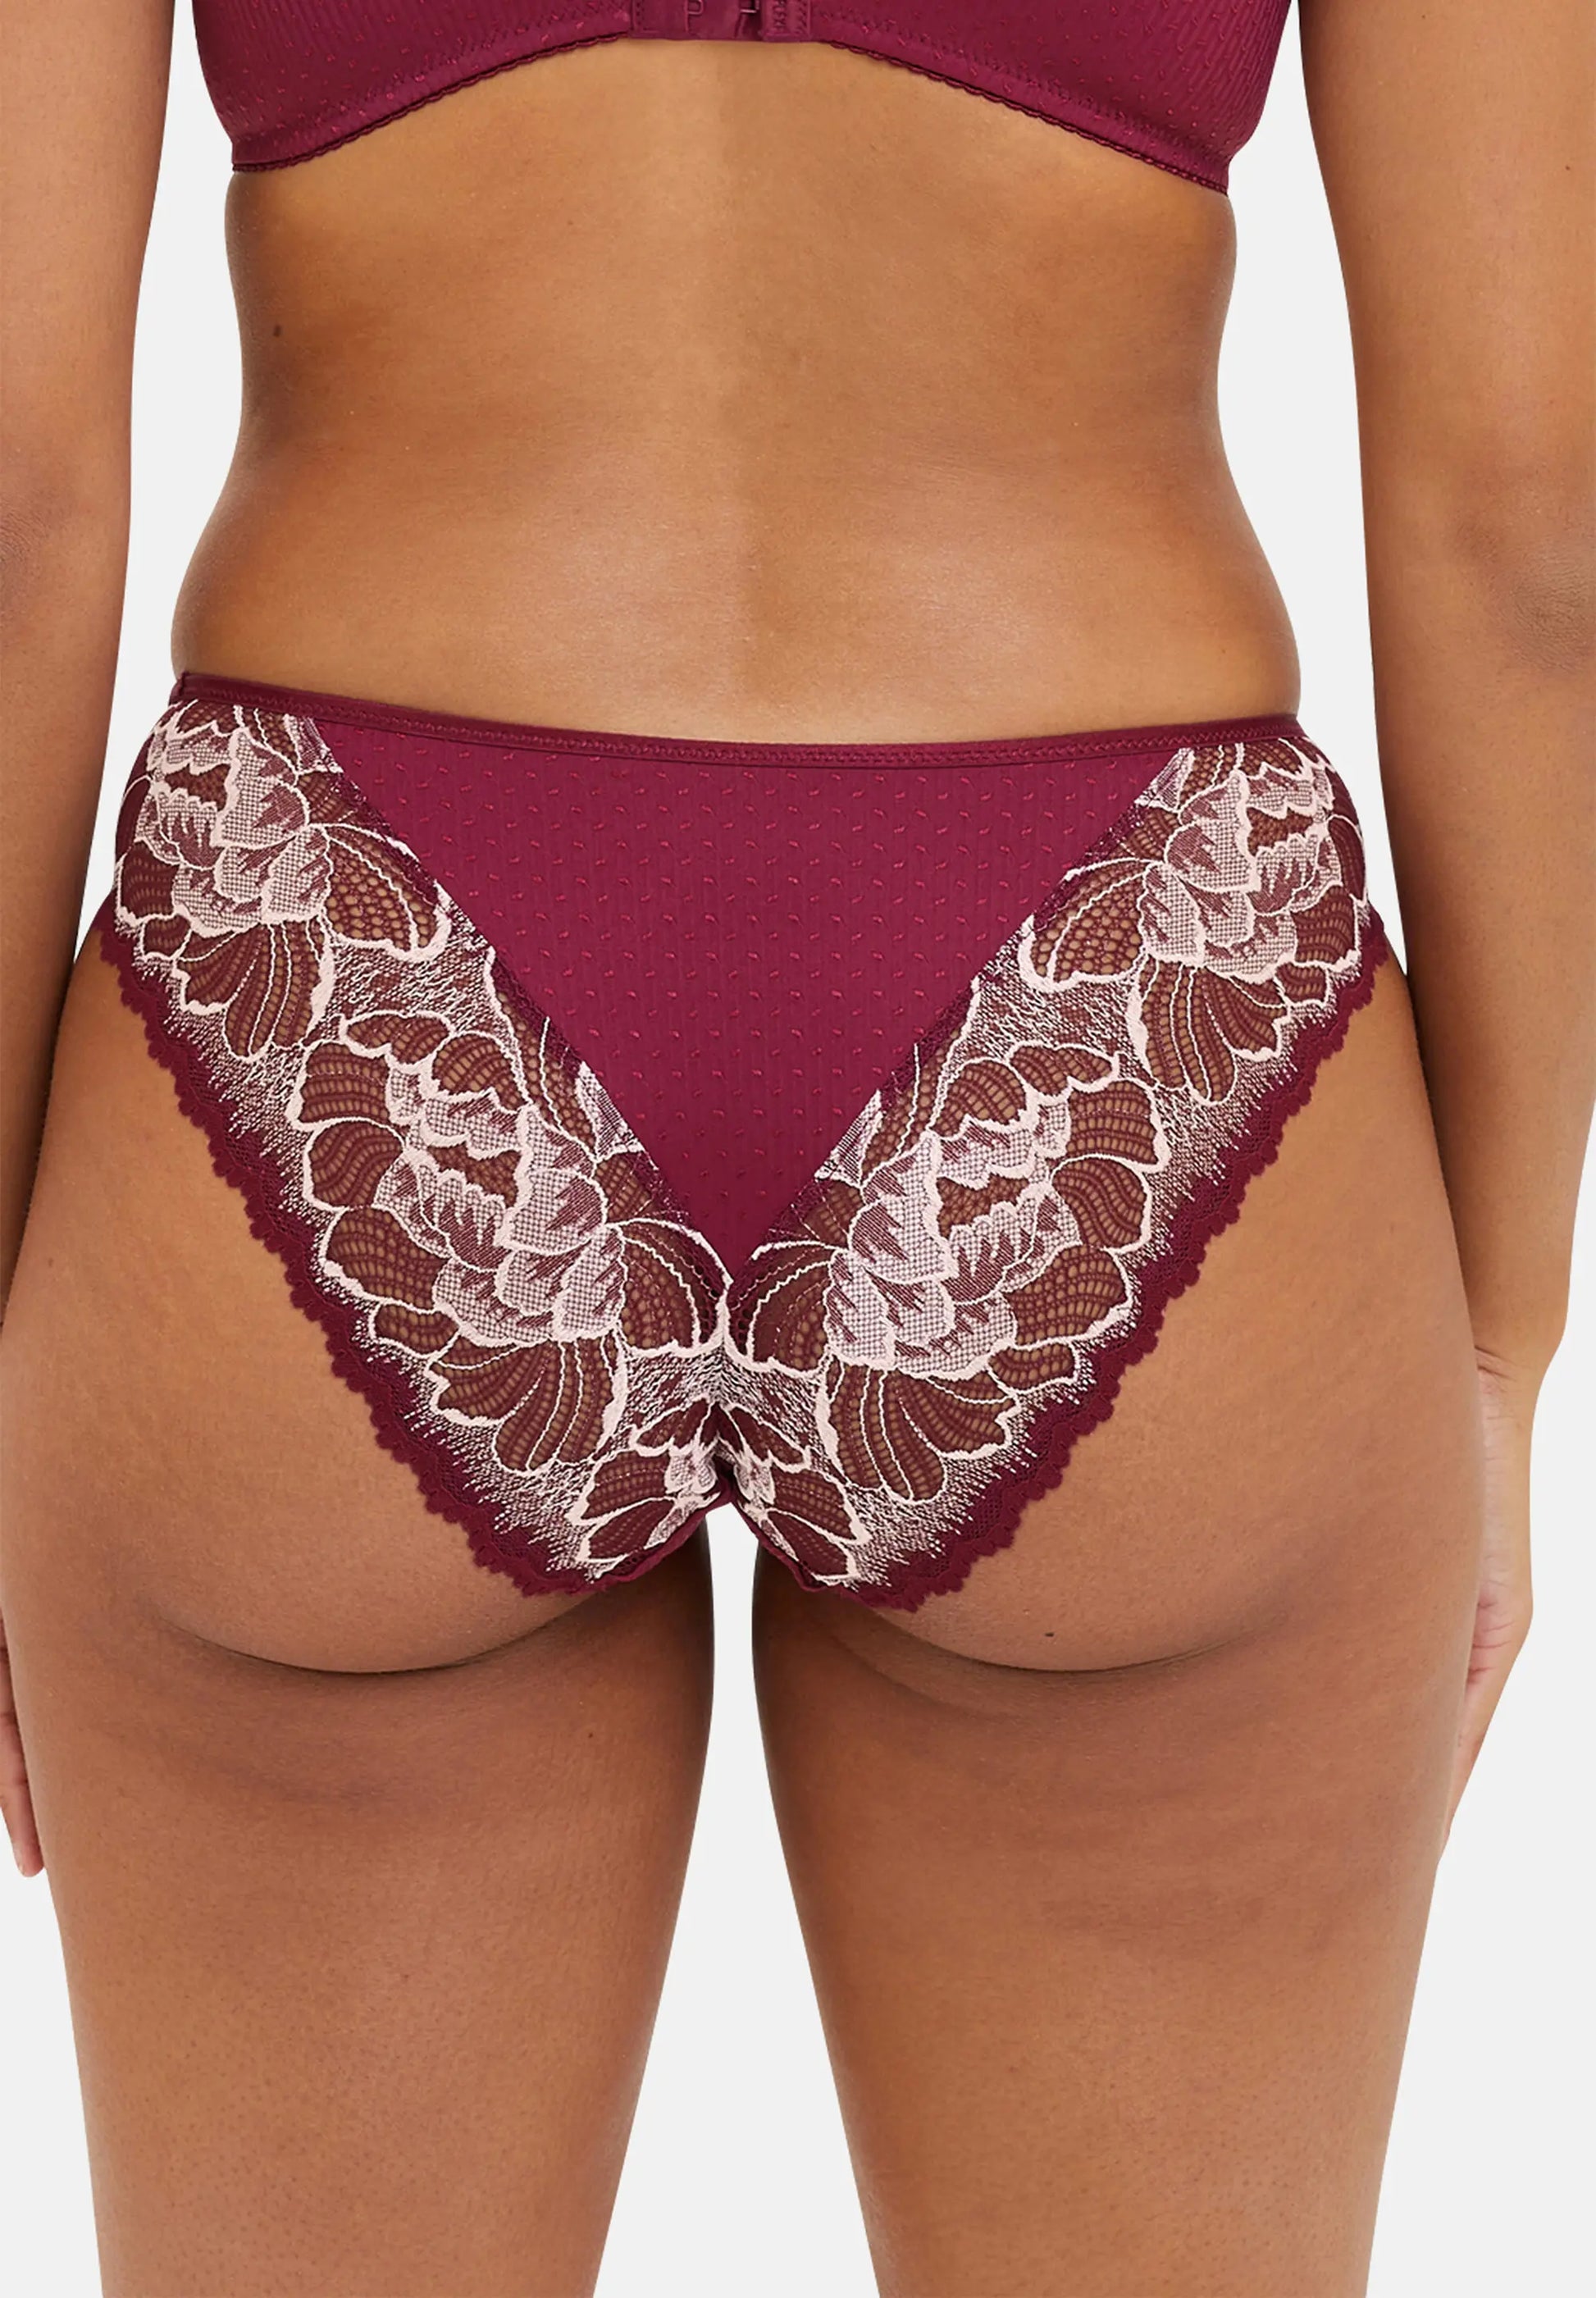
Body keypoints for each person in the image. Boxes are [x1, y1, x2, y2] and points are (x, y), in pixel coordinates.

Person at [1, 1, 1589, 2291]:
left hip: (340, 954)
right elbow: (1532, 522)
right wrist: (1503, 1338)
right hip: (1120, 961)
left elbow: (23, 497)